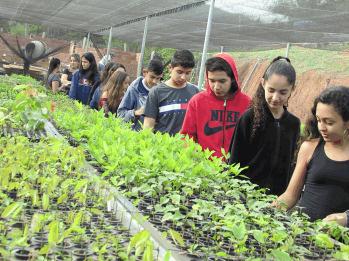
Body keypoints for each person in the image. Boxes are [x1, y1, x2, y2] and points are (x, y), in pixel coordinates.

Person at [273, 86, 349, 221]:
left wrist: (345, 218)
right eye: (319, 120)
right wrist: (263, 212)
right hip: (303, 234)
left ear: (347, 123)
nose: (321, 127)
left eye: (329, 122)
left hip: (339, 240)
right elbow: (290, 196)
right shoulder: (310, 148)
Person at [227, 56, 300, 195]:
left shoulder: (293, 124)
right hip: (246, 196)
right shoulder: (249, 118)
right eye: (271, 90)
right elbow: (234, 161)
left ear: (293, 89)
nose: (275, 97)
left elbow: (292, 164)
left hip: (278, 200)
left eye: (283, 92)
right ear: (263, 84)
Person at [180, 53, 250, 159]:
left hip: (237, 169)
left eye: (222, 81)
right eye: (212, 81)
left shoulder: (247, 103)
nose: (216, 87)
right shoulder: (197, 102)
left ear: (232, 78)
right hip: (205, 169)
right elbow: (186, 137)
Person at [143, 50, 199, 136]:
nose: (183, 77)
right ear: (170, 68)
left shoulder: (195, 92)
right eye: (179, 72)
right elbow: (148, 127)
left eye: (188, 73)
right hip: (164, 147)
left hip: (188, 147)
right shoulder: (156, 92)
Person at [117, 59, 164, 131]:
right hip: (136, 137)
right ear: (145, 72)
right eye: (152, 77)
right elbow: (120, 115)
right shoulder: (134, 89)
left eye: (158, 78)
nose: (155, 81)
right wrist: (136, 113)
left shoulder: (162, 91)